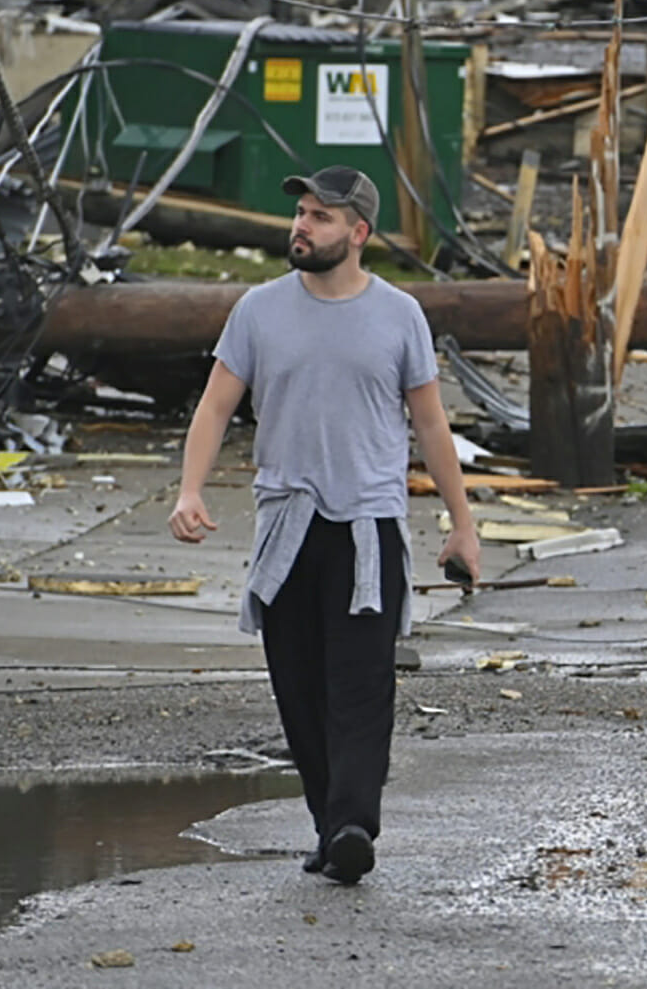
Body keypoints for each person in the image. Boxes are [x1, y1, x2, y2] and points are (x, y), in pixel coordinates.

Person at [170, 166, 480, 886]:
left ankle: (351, 824)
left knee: (362, 686)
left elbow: (431, 423)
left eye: (321, 217)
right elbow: (216, 406)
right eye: (302, 213)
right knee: (300, 687)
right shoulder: (257, 310)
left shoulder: (400, 314)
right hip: (287, 525)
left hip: (367, 528)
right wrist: (190, 489)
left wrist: (462, 524)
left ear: (359, 233)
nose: (301, 226)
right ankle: (327, 824)